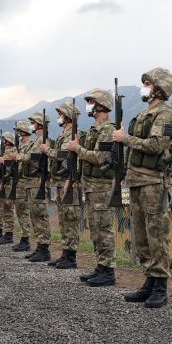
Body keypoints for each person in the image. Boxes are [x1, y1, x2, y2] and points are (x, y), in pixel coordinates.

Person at [113, 68, 172, 307]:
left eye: (148, 83)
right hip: (137, 180)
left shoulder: (165, 114)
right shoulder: (144, 114)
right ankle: (149, 281)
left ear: (159, 88)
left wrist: (125, 139)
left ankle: (160, 286)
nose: (144, 87)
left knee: (156, 235)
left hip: (154, 182)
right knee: (141, 235)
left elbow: (155, 145)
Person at [68, 88, 118, 286]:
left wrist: (77, 149)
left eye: (91, 102)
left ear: (101, 105)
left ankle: (108, 270)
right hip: (90, 186)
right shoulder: (94, 129)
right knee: (95, 228)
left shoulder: (108, 129)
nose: (88, 105)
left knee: (103, 229)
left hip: (101, 187)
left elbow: (100, 158)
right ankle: (101, 266)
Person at [49, 102, 83, 269]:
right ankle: (65, 253)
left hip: (69, 182)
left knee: (70, 219)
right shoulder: (64, 135)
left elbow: (63, 156)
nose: (58, 117)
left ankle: (71, 256)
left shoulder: (73, 135)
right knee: (63, 220)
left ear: (68, 116)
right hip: (60, 182)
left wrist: (47, 150)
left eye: (60, 114)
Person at [22, 113, 53, 262]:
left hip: (37, 181)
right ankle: (40, 246)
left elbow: (31, 157)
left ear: (40, 124)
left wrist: (18, 157)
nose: (32, 125)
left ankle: (44, 249)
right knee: (34, 215)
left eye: (33, 122)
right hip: (32, 182)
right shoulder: (37, 140)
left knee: (40, 215)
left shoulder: (43, 140)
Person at [6, 120, 36, 253]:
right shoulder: (21, 146)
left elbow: (31, 159)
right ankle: (24, 239)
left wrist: (17, 156)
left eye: (18, 131)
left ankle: (26, 240)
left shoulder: (30, 145)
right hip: (19, 182)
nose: (17, 134)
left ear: (23, 132)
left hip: (25, 182)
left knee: (23, 211)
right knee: (19, 210)